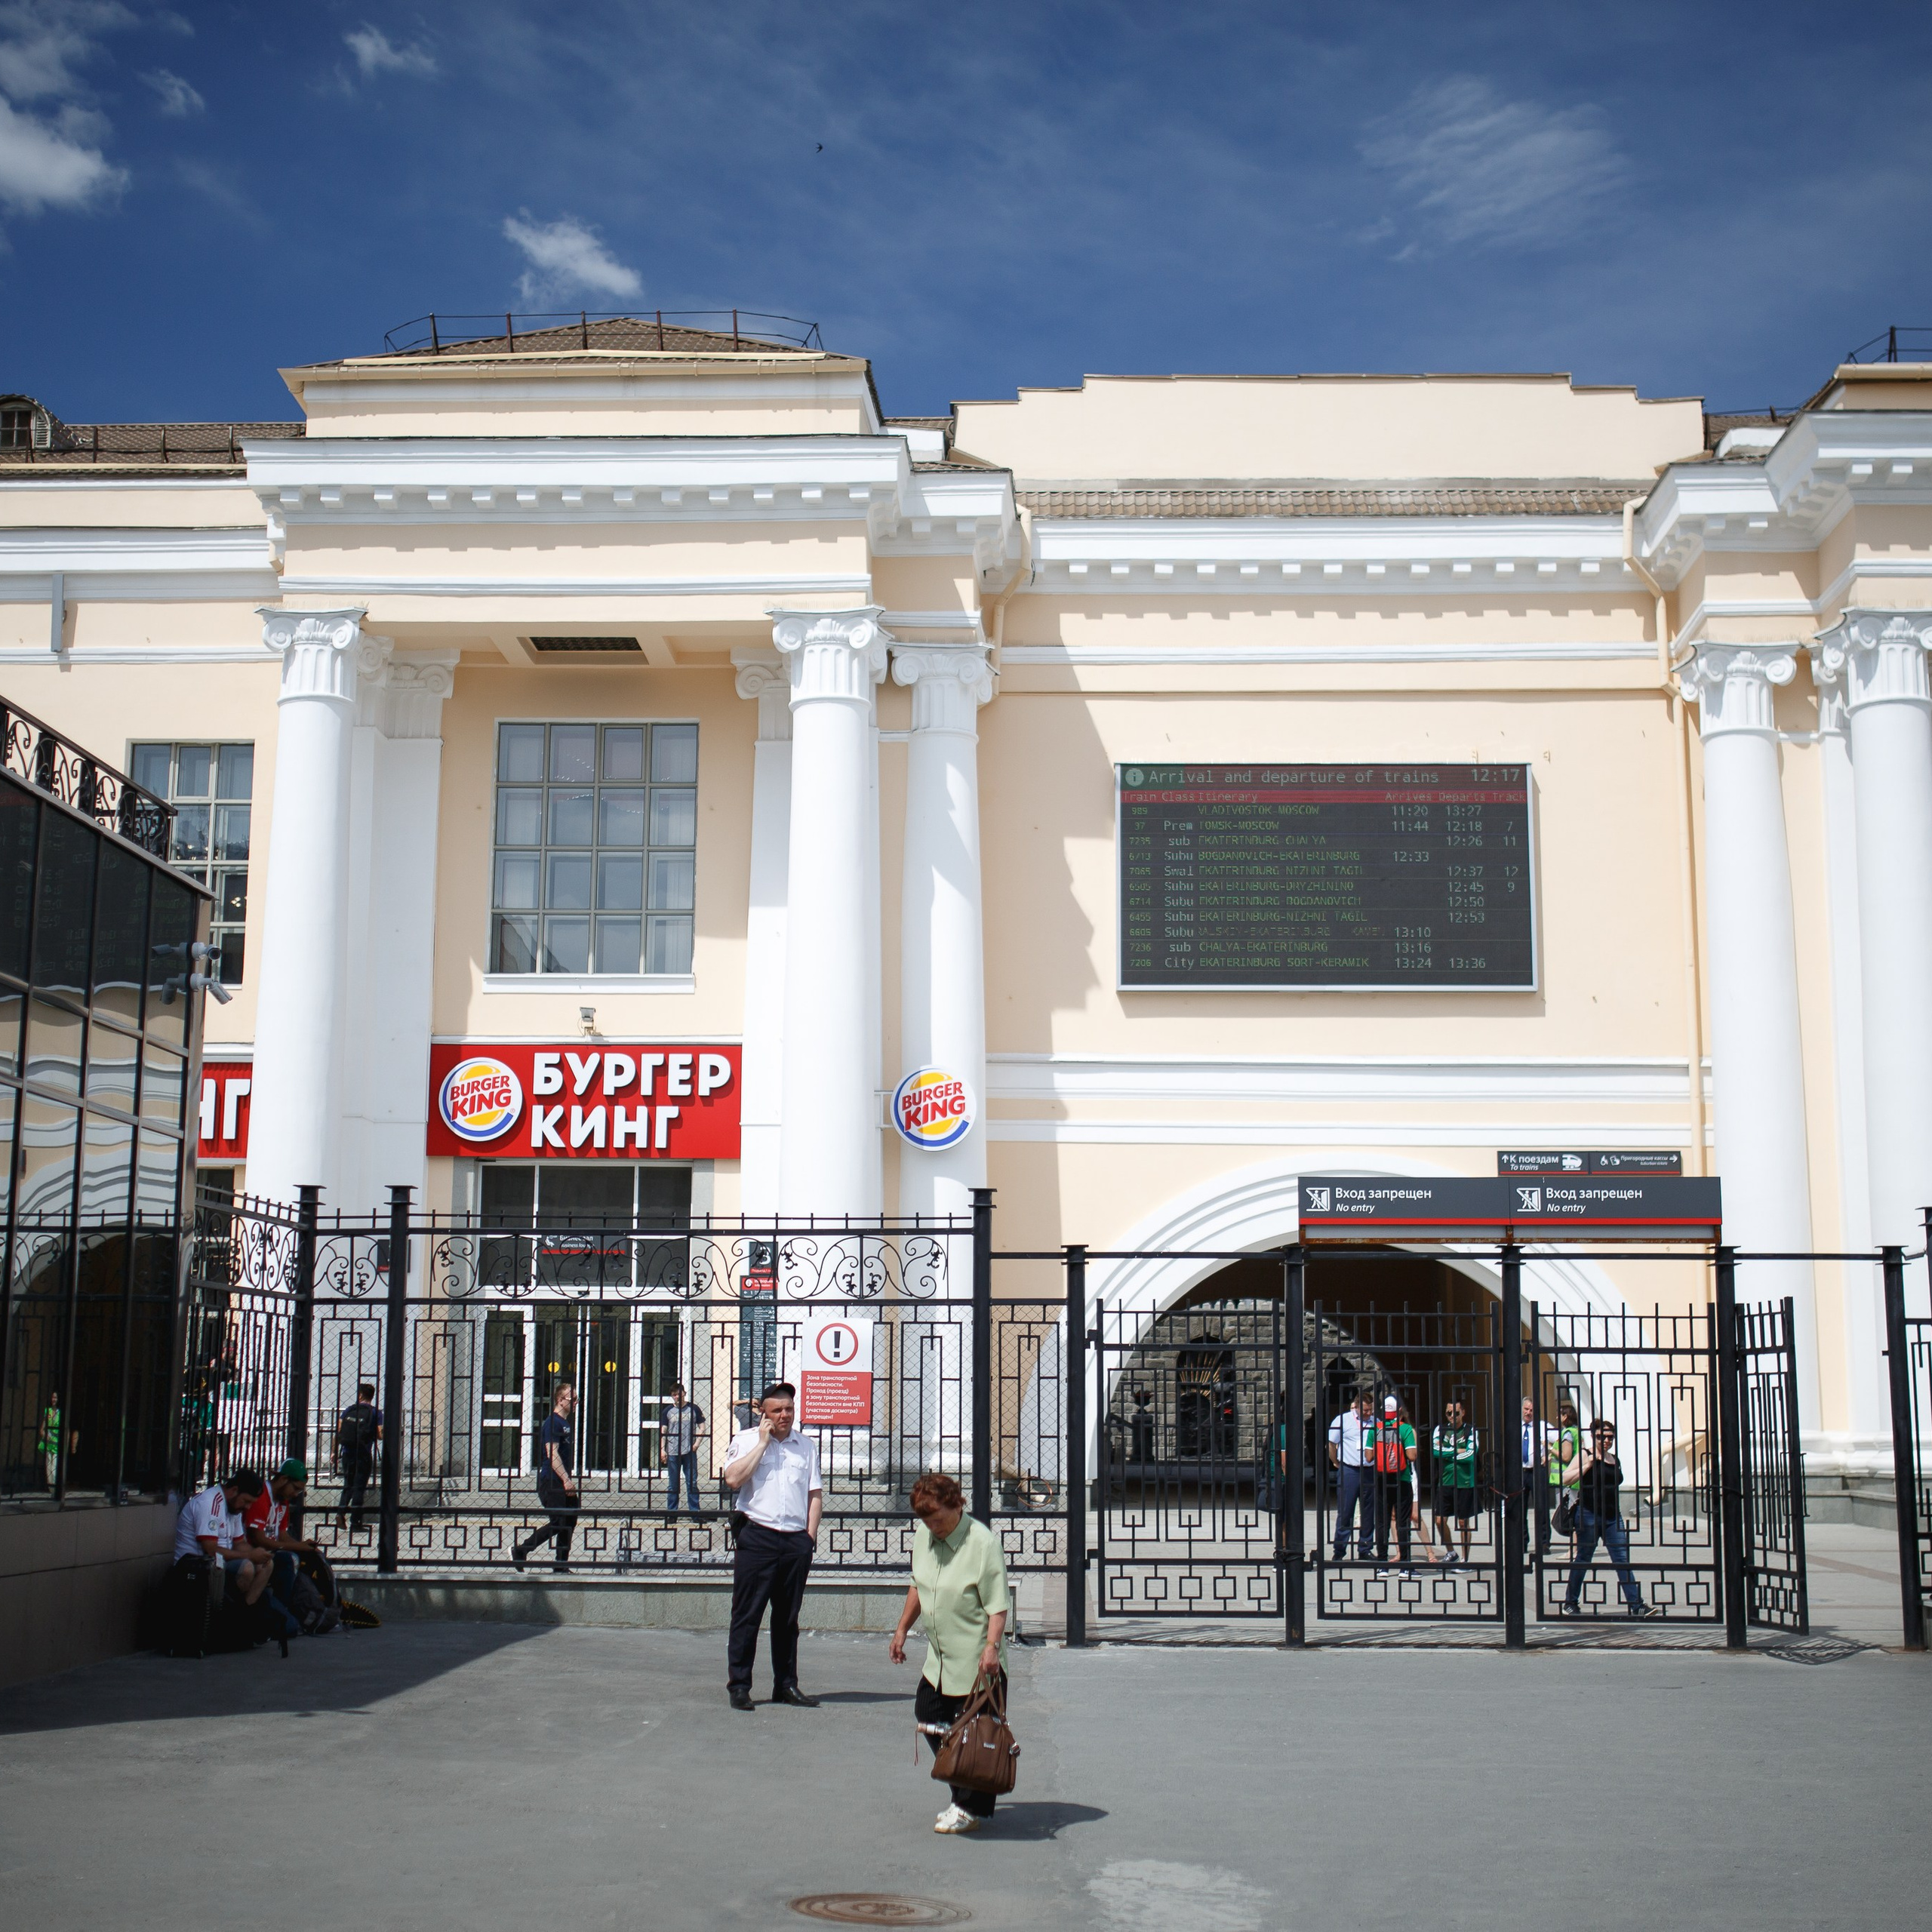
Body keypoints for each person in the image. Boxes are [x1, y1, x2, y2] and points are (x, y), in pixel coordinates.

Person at [889, 1471, 1012, 1835]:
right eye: (927, 1522)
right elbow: (918, 1584)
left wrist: (992, 1648)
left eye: (939, 1519)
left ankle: (970, 1807)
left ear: (957, 1505)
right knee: (928, 1714)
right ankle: (964, 1796)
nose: (934, 1528)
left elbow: (998, 1605)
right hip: (939, 1661)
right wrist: (901, 1629)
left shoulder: (982, 1543)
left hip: (977, 1661)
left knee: (977, 1737)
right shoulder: (925, 1536)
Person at [722, 1380, 823, 1710]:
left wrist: (809, 1538)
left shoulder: (806, 1446)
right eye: (777, 1410)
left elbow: (814, 1495)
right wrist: (763, 1444)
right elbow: (734, 1479)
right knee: (747, 1615)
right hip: (758, 1537)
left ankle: (786, 1684)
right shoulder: (746, 1439)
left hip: (795, 1542)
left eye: (789, 1409)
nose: (785, 1415)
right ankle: (740, 1685)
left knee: (787, 1619)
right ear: (763, 1413)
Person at [1561, 1420, 1659, 1618]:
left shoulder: (1614, 1459)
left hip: (1613, 1517)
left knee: (1621, 1559)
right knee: (1583, 1558)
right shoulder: (1585, 1455)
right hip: (1588, 1514)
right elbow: (1565, 1478)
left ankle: (1637, 1605)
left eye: (1609, 1437)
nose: (1605, 1440)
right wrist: (1587, 1466)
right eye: (1601, 1437)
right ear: (1593, 1436)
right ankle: (1570, 1602)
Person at [175, 1468, 272, 1607]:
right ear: (234, 1490)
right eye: (246, 1501)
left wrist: (259, 1556)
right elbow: (211, 1551)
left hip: (219, 1564)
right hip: (196, 1567)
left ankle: (245, 1610)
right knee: (246, 1568)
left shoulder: (235, 1508)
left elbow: (239, 1543)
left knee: (266, 1565)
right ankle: (230, 1613)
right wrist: (250, 1555)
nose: (248, 1507)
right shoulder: (210, 1503)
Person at [245, 1458, 318, 1638]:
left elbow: (282, 1535)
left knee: (297, 1559)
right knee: (286, 1561)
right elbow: (258, 1539)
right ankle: (280, 1616)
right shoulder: (263, 1496)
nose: (296, 1494)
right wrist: (297, 1546)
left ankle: (286, 1614)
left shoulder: (282, 1501)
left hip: (269, 1552)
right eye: (296, 1489)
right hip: (251, 1551)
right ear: (284, 1479)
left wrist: (301, 1547)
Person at [513, 1380, 580, 1572]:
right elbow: (552, 1453)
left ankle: (561, 1564)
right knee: (559, 1521)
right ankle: (521, 1550)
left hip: (561, 1479)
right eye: (573, 1399)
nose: (576, 1402)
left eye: (577, 1399)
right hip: (551, 1480)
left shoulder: (564, 1423)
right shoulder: (552, 1422)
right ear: (560, 1400)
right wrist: (566, 1480)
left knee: (570, 1519)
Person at [1371, 1395, 1418, 1577]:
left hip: (1381, 1480)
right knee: (1402, 1522)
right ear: (1399, 1411)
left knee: (1382, 1523)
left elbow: (1368, 1457)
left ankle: (1382, 1564)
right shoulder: (1405, 1429)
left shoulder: (1375, 1430)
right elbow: (1412, 1456)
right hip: (1402, 1480)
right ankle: (1405, 1566)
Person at [1326, 1391, 1375, 1562]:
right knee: (1345, 1511)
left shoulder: (1376, 1423)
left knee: (1369, 1512)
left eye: (1370, 1410)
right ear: (1357, 1406)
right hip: (1349, 1470)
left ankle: (1365, 1548)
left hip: (1369, 1470)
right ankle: (1339, 1550)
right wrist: (1336, 1462)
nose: (1367, 1413)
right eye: (1365, 1410)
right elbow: (1331, 1444)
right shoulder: (1343, 1420)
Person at [1431, 1398, 1481, 1566]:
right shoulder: (1441, 1429)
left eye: (1456, 1413)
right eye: (1449, 1413)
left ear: (1463, 1413)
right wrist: (1459, 1450)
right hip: (1445, 1481)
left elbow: (1471, 1455)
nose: (1452, 1416)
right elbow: (1435, 1451)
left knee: (1463, 1522)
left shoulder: (1470, 1431)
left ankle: (1465, 1559)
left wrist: (1448, 1452)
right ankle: (1451, 1552)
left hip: (1465, 1482)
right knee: (1439, 1520)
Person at [335, 1382, 381, 1534]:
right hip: (363, 1453)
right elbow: (380, 1434)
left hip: (347, 1452)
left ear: (360, 1395)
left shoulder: (350, 1409)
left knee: (348, 1484)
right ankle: (356, 1523)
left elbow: (340, 1429)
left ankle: (341, 1512)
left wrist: (335, 1452)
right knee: (359, 1487)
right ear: (371, 1396)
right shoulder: (375, 1413)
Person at [661, 1382, 706, 1521]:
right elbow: (663, 1431)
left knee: (691, 1483)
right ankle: (672, 1514)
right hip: (673, 1451)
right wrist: (663, 1450)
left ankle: (695, 1514)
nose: (677, 1397)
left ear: (684, 1393)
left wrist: (697, 1444)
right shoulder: (667, 1411)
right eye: (674, 1395)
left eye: (679, 1394)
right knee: (673, 1484)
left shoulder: (693, 1409)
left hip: (689, 1451)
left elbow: (702, 1427)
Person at [1520, 1395, 1555, 1558]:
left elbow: (1563, 1439)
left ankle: (1544, 1543)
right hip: (1520, 1472)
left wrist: (1550, 1455)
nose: (1528, 1413)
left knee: (1541, 1508)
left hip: (1537, 1471)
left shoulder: (1543, 1427)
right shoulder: (1516, 1426)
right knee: (1520, 1509)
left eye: (1532, 1410)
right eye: (1526, 1409)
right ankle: (1522, 1541)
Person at [1549, 1398, 1583, 1546]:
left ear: (1566, 1417)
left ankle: (1574, 1549)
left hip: (1567, 1480)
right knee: (1572, 1513)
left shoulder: (1568, 1433)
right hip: (1573, 1479)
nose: (1558, 1417)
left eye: (1560, 1414)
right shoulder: (1576, 1432)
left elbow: (1566, 1456)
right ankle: (1575, 1548)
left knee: (1569, 1515)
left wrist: (1550, 1448)